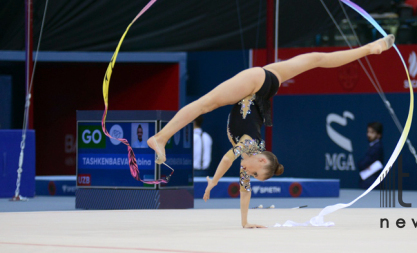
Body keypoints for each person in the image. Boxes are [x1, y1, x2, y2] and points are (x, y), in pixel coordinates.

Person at [147, 34, 395, 228]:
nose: (249, 174)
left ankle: (370, 48)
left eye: (252, 175)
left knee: (317, 60)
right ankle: (161, 137)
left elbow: (246, 191)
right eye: (255, 172)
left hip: (266, 86)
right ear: (262, 159)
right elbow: (225, 159)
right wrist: (214, 181)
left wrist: (245, 222)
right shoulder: (249, 147)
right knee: (205, 103)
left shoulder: (248, 157)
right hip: (256, 84)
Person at [357, 122, 384, 189]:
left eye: (372, 132)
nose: (368, 134)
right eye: (368, 132)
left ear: (378, 135)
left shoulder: (377, 147)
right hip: (368, 182)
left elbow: (362, 164)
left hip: (372, 183)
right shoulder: (373, 146)